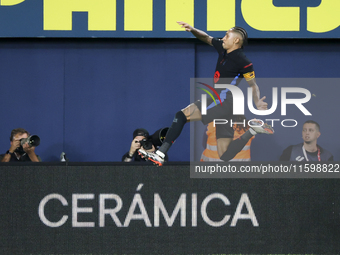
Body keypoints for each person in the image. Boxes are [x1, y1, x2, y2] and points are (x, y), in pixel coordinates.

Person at [139, 22, 274, 166]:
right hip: (225, 104)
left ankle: (160, 153)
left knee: (181, 115)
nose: (223, 38)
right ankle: (251, 131)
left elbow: (253, 85)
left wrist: (257, 101)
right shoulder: (223, 49)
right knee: (225, 154)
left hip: (223, 101)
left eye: (227, 35)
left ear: (236, 40)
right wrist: (192, 30)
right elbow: (207, 38)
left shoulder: (244, 61)